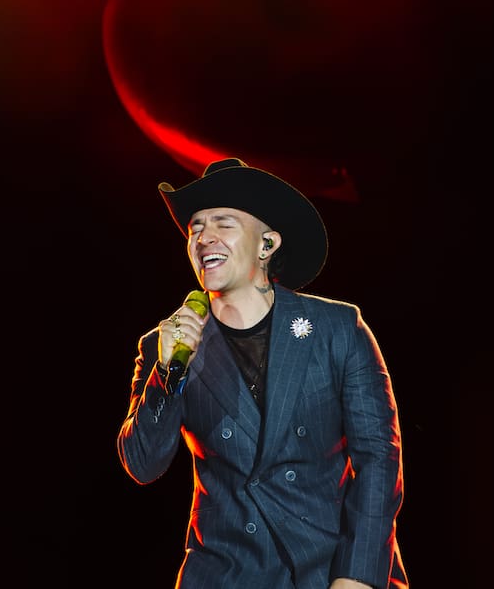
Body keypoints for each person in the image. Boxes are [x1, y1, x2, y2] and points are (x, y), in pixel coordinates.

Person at [116, 158, 409, 589]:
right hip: (227, 574)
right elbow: (142, 464)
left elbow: (379, 458)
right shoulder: (163, 345)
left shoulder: (338, 329)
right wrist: (167, 373)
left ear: (266, 244)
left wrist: (356, 577)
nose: (204, 237)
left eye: (223, 223)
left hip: (328, 567)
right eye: (196, 227)